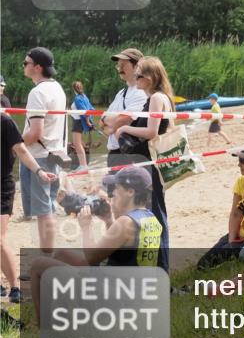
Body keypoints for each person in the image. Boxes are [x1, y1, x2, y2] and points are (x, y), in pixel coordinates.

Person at [29, 166, 164, 323]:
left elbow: (92, 258)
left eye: (116, 188)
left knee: (38, 265)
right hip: (136, 292)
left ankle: (44, 325)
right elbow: (121, 251)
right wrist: (108, 220)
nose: (112, 193)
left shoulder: (125, 222)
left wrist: (86, 227)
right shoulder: (149, 218)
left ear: (130, 192)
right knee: (61, 254)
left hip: (117, 298)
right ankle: (64, 312)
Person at [113, 56, 174, 271]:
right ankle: (155, 267)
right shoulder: (159, 97)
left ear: (150, 77)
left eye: (139, 75)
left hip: (151, 164)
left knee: (155, 215)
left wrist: (124, 129)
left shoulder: (156, 98)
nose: (136, 78)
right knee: (154, 214)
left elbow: (152, 131)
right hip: (151, 164)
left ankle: (161, 269)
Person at [2, 113, 58, 303]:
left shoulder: (5, 121)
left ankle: (15, 287)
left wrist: (39, 171)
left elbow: (22, 150)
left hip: (2, 187)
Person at [20, 47, 67, 253]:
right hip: (54, 154)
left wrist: (14, 144)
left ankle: (46, 256)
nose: (23, 66)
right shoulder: (57, 88)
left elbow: (35, 132)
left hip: (38, 157)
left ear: (38, 67)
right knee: (49, 207)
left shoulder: (37, 92)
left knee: (43, 211)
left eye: (26, 63)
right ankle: (49, 254)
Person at [102, 48, 149, 164]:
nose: (119, 68)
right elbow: (101, 123)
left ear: (137, 66)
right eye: (118, 65)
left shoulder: (141, 93)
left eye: (123, 64)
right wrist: (108, 123)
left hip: (127, 153)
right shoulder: (121, 93)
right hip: (114, 153)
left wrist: (109, 123)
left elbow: (122, 121)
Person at [70, 81, 97, 167]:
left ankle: (83, 165)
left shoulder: (77, 98)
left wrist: (88, 121)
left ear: (74, 89)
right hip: (79, 122)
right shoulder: (84, 97)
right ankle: (83, 165)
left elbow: (84, 110)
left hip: (77, 122)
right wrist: (90, 120)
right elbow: (91, 109)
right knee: (78, 143)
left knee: (77, 144)